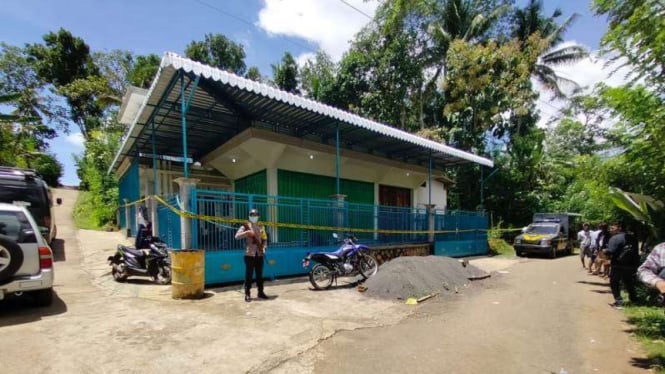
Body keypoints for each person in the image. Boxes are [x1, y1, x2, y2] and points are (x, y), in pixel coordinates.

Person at [235, 208, 269, 302]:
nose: (253, 217)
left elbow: (264, 238)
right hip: (249, 254)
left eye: (255, 215)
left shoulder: (261, 226)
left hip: (259, 254)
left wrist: (264, 248)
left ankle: (260, 292)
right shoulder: (245, 226)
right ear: (249, 216)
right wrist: (247, 233)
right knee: (248, 275)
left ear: (258, 216)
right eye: (252, 215)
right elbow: (237, 236)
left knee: (259, 275)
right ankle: (247, 294)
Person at [604, 222, 639, 309]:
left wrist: (605, 252)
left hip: (617, 265)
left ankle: (619, 302)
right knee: (629, 282)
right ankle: (634, 299)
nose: (610, 230)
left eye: (612, 228)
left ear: (619, 228)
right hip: (631, 265)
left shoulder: (614, 238)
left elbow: (610, 251)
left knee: (614, 282)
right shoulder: (633, 238)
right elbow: (636, 252)